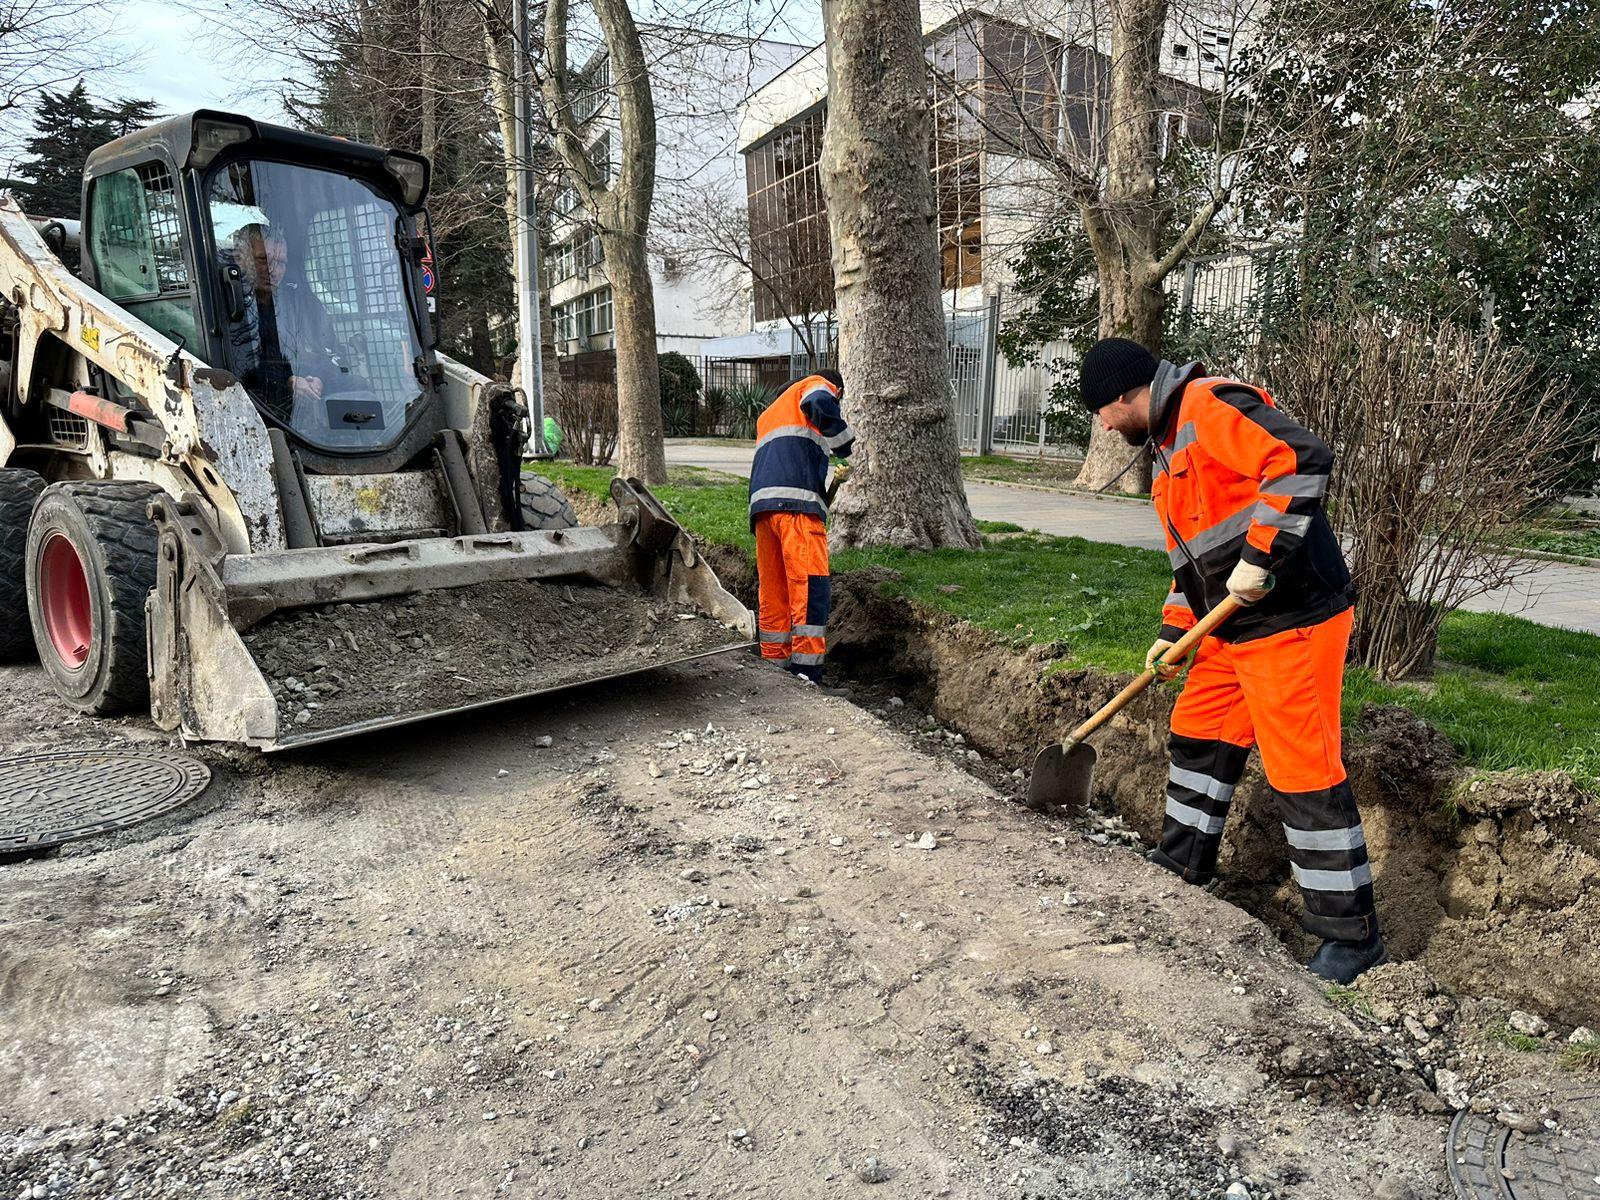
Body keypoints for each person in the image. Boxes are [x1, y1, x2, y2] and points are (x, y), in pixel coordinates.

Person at [1078, 337, 1385, 984]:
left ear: (1129, 395)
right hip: (1230, 628)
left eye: (1103, 411)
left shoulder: (1209, 405)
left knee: (1303, 772)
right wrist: (1173, 630)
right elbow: (1197, 559)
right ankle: (1183, 862)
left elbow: (1302, 459)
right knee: (1197, 732)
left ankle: (1351, 940)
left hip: (1291, 618)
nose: (1103, 425)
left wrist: (1261, 557)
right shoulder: (1165, 448)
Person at [748, 368, 854, 683]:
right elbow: (821, 400)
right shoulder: (816, 386)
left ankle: (774, 670)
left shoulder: (769, 413)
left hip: (763, 511)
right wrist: (845, 445)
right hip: (796, 507)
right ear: (839, 390)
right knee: (809, 588)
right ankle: (806, 676)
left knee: (775, 589)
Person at [227, 223, 343, 422]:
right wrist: (286, 381)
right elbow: (237, 364)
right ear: (240, 258)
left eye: (280, 263)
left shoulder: (301, 304)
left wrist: (318, 378)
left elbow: (330, 352)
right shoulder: (229, 303)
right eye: (263, 260)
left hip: (304, 400)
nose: (272, 270)